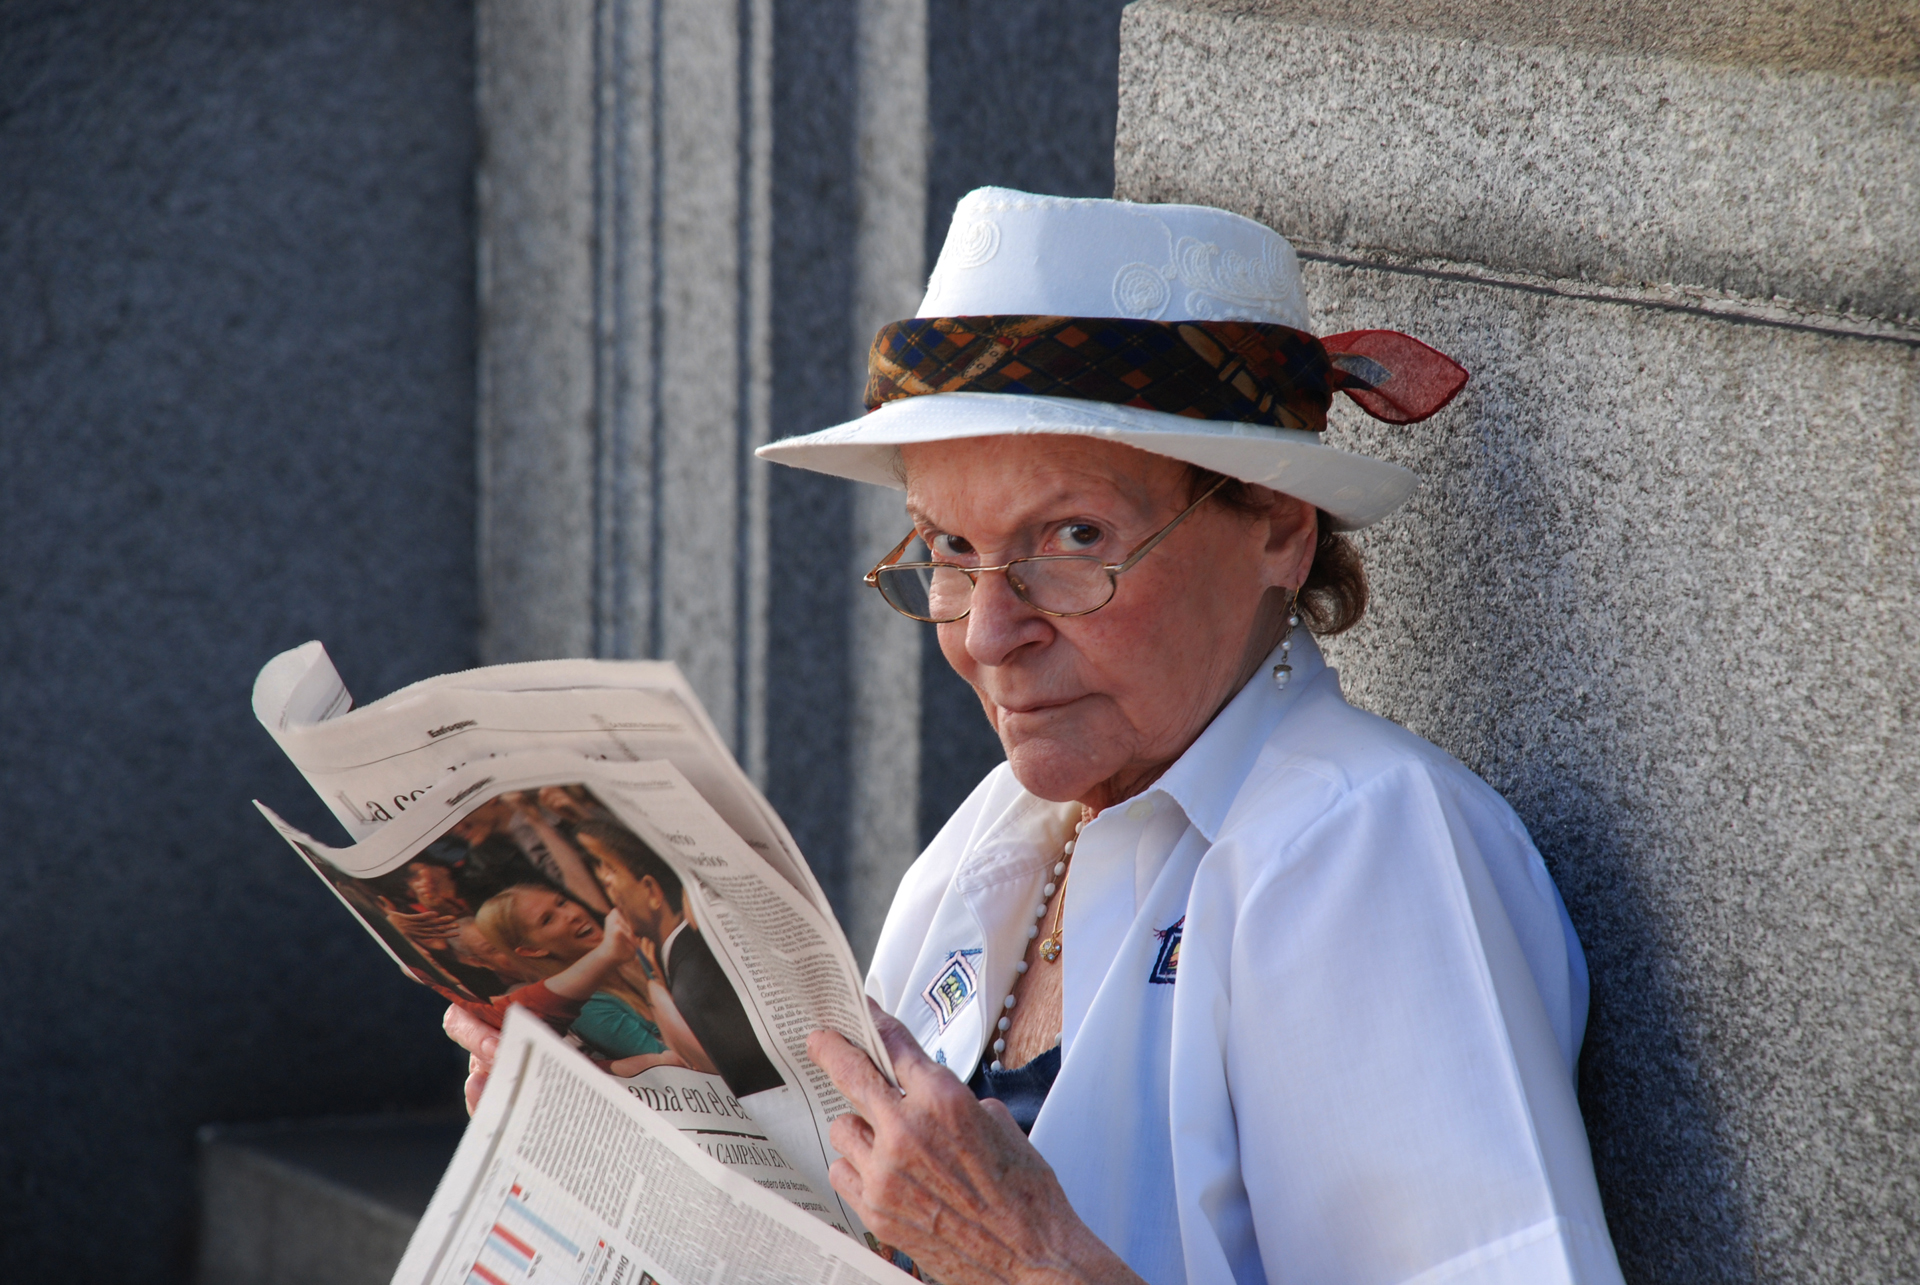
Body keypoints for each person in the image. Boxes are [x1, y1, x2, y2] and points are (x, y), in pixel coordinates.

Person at [450, 188, 1624, 1284]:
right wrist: (637, 1134)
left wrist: (1029, 1259)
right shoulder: (1001, 834)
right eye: (949, 549)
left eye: (1072, 538)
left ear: (1277, 529)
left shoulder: (1363, 846)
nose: (986, 633)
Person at [570, 819, 786, 1099]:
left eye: (611, 869)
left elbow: (757, 1084)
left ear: (651, 891)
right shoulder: (684, 966)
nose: (606, 883)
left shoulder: (694, 985)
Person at [472, 883, 686, 1073]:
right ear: (532, 950)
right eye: (548, 920)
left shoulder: (631, 941)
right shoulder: (586, 1007)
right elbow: (676, 1065)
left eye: (562, 903)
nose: (572, 914)